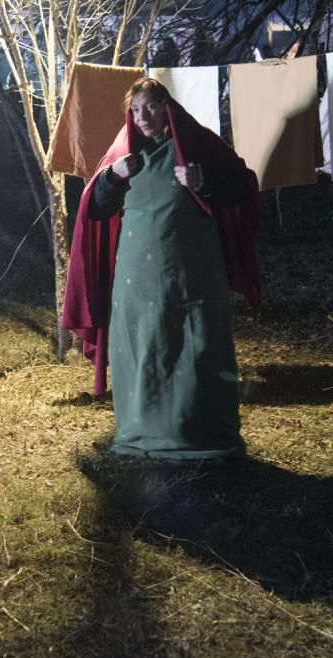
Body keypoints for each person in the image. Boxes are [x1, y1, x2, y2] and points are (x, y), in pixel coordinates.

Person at [62, 77, 260, 462]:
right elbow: (96, 209)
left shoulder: (199, 143)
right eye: (135, 111)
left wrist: (205, 180)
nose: (142, 117)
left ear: (166, 106)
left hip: (194, 273)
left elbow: (241, 186)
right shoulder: (124, 150)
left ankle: (199, 429)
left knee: (195, 344)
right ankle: (142, 427)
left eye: (149, 107)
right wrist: (113, 177)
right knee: (145, 345)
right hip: (138, 276)